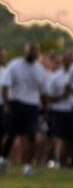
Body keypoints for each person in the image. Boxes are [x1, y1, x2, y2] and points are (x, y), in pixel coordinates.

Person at [4, 46, 46, 175]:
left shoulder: (39, 69)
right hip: (17, 102)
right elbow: (6, 86)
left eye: (35, 51)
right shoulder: (15, 65)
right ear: (25, 51)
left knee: (32, 136)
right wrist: (7, 105)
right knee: (11, 135)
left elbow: (42, 90)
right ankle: (2, 160)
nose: (32, 53)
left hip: (32, 104)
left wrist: (45, 108)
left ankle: (27, 165)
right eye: (30, 51)